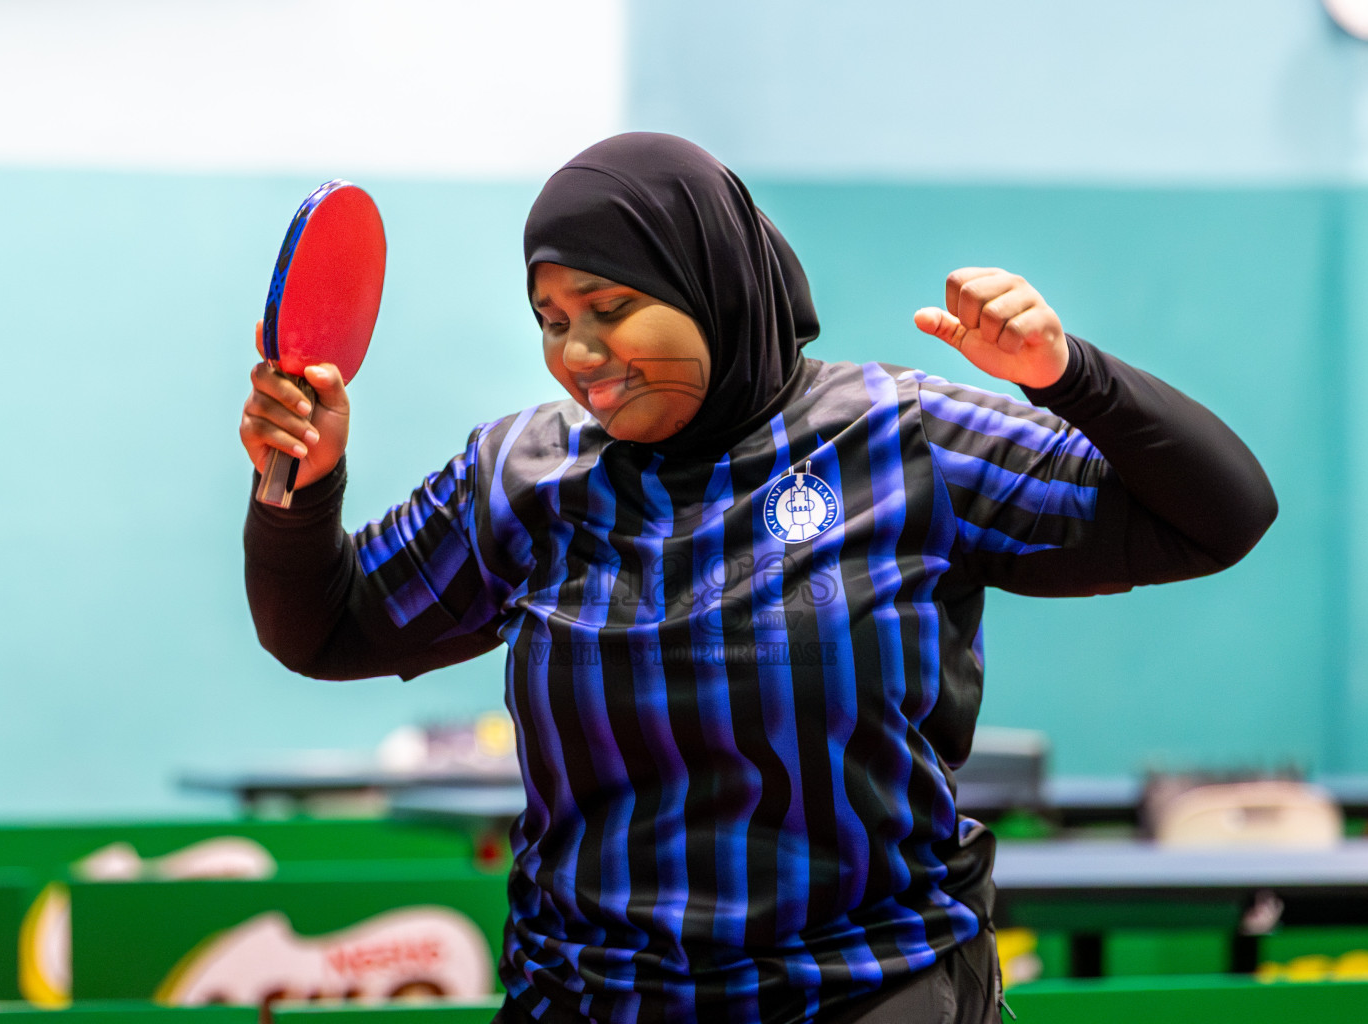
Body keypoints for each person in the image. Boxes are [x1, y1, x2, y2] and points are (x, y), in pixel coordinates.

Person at [241, 133, 1276, 1024]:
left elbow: (1221, 514)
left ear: (709, 282)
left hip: (870, 987)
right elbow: (324, 629)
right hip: (593, 994)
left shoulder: (902, 440)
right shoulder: (523, 477)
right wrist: (302, 484)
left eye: (608, 306)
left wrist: (1068, 375)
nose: (580, 352)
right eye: (553, 319)